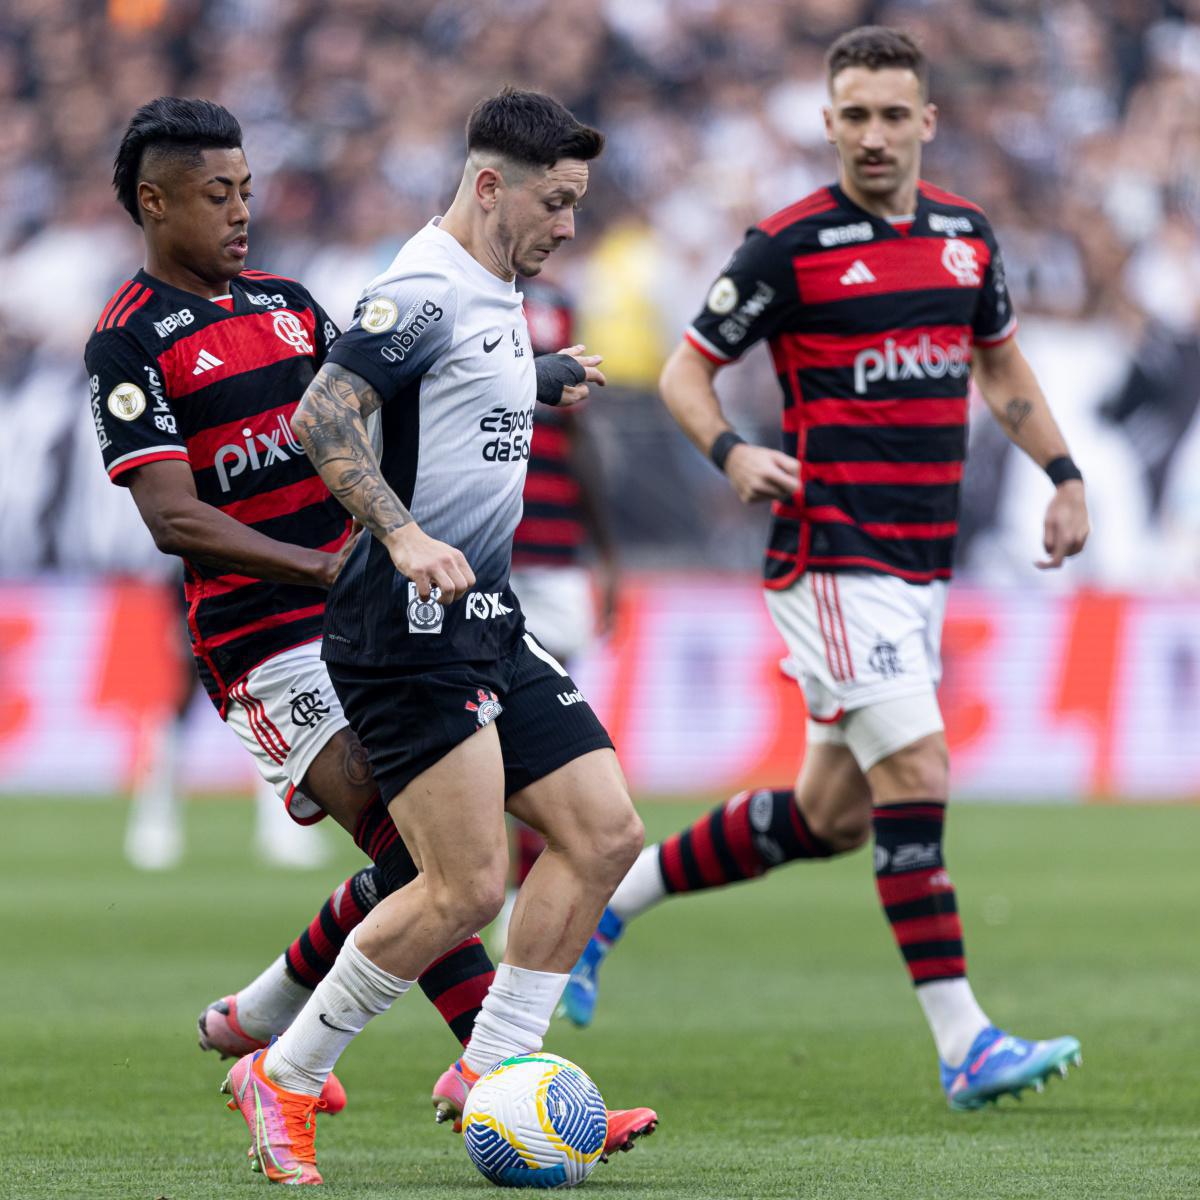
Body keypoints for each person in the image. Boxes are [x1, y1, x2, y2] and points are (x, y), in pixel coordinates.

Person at [561, 26, 1089, 1113]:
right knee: (921, 773)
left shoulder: (963, 239)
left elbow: (1000, 366)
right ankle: (965, 1042)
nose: (876, 135)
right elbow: (684, 372)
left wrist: (1065, 473)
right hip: (832, 558)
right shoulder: (790, 247)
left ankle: (612, 901)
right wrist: (733, 451)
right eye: (856, 115)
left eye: (896, 115)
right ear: (828, 121)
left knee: (832, 817)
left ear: (928, 122)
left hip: (920, 564)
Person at [220, 88, 654, 1185]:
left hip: (487, 616)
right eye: (555, 204)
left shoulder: (497, 287)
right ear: (489, 184)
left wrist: (537, 379)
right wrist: (403, 533)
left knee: (604, 833)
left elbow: (452, 387)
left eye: (578, 205)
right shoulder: (420, 288)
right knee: (462, 885)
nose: (568, 226)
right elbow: (322, 415)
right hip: (405, 625)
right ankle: (286, 1074)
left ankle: (492, 1072)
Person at [84, 95, 499, 1125]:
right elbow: (175, 520)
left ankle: (266, 1009)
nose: (241, 213)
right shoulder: (127, 345)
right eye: (217, 195)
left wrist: (528, 382)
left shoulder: (290, 301)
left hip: (363, 621)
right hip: (262, 643)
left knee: (455, 846)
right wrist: (322, 573)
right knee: (419, 854)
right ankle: (496, 1068)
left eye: (247, 192)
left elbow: (376, 413)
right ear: (154, 201)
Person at [493, 274, 621, 951]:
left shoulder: (562, 303)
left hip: (554, 552)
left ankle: (523, 888)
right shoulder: (450, 290)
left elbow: (580, 438)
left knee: (539, 727)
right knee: (485, 727)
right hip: (486, 553)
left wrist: (608, 558)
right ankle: (497, 885)